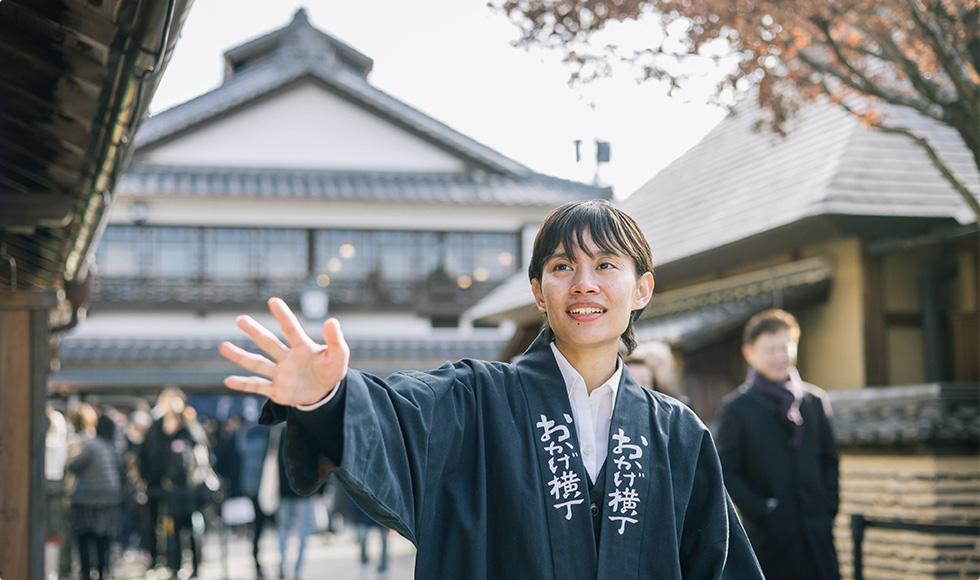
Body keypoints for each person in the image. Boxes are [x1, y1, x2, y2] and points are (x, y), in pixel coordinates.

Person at [219, 199, 763, 579]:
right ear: (538, 292)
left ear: (642, 289)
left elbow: (718, 563)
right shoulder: (475, 399)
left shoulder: (677, 433)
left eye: (605, 265)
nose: (584, 284)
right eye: (562, 267)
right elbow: (395, 417)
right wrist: (327, 397)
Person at [715, 309, 840, 580]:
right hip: (770, 540)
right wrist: (762, 511)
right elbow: (727, 470)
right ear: (749, 353)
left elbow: (830, 460)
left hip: (817, 533)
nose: (780, 357)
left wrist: (828, 506)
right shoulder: (737, 408)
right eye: (770, 350)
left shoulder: (814, 401)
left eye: (785, 348)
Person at [68, 413, 122, 580]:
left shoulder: (92, 446)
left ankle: (86, 573)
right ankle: (102, 571)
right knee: (103, 538)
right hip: (109, 498)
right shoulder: (113, 447)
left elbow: (74, 466)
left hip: (88, 498)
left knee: (84, 537)